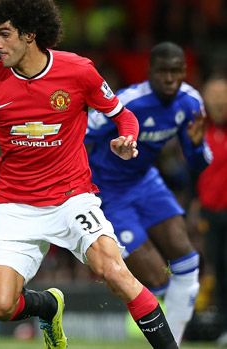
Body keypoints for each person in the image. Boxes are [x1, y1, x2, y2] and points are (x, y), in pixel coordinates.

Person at [0, 1, 178, 348]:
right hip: (15, 206)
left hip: (72, 199)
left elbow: (122, 115)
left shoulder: (77, 71)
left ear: (29, 34)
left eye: (4, 35)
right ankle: (49, 306)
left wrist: (127, 137)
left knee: (114, 272)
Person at [85, 42, 210, 345]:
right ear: (150, 72)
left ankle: (174, 343)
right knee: (156, 278)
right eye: (163, 71)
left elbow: (197, 162)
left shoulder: (191, 103)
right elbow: (80, 136)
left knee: (187, 261)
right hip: (108, 192)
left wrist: (194, 145)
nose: (170, 78)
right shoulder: (127, 103)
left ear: (185, 71)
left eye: (176, 71)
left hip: (145, 182)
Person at [197, 74, 227, 347]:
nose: (218, 101)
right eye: (213, 95)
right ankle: (223, 325)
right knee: (217, 269)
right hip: (210, 213)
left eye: (222, 95)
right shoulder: (198, 131)